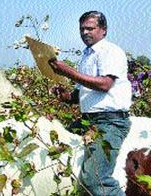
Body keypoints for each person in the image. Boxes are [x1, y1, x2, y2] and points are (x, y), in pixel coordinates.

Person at [49, 11, 132, 196]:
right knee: (55, 155)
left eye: (90, 28)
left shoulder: (111, 51)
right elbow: (82, 93)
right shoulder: (87, 56)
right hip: (88, 120)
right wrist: (66, 96)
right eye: (82, 29)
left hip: (110, 123)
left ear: (103, 30)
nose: (85, 32)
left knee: (96, 180)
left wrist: (68, 72)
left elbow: (105, 84)